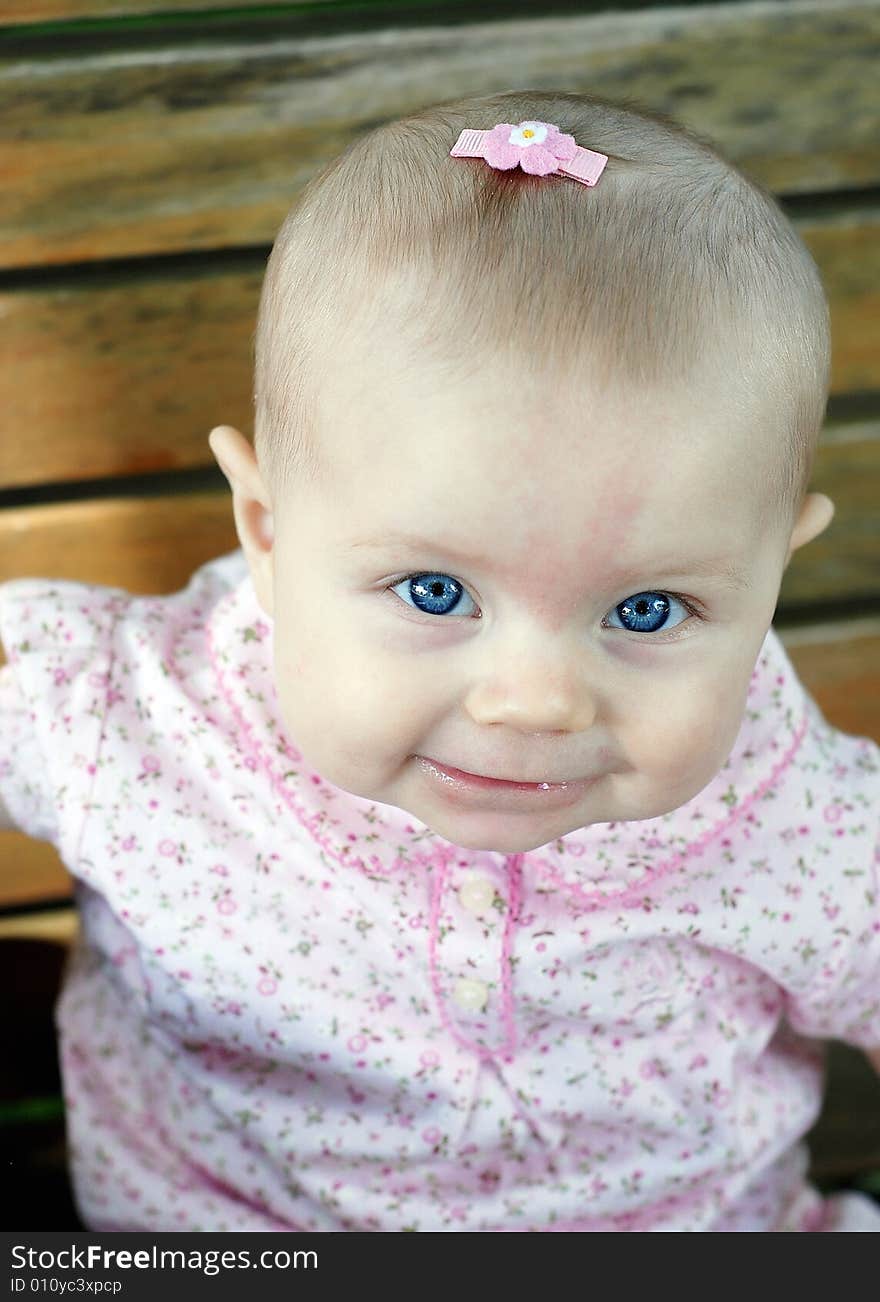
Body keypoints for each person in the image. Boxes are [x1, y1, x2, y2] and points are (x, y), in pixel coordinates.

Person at [1, 90, 878, 1232]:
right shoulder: (123, 713)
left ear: (774, 567)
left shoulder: (795, 821)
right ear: (266, 531)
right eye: (435, 594)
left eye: (650, 609)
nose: (535, 701)